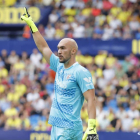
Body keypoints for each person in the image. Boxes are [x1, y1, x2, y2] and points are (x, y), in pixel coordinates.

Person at [21, 7, 99, 140]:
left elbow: (91, 99)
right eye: (58, 49)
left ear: (73, 51)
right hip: (56, 126)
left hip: (69, 128)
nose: (59, 51)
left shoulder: (80, 72)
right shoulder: (59, 65)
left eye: (63, 48)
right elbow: (44, 47)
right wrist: (32, 25)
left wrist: (91, 126)